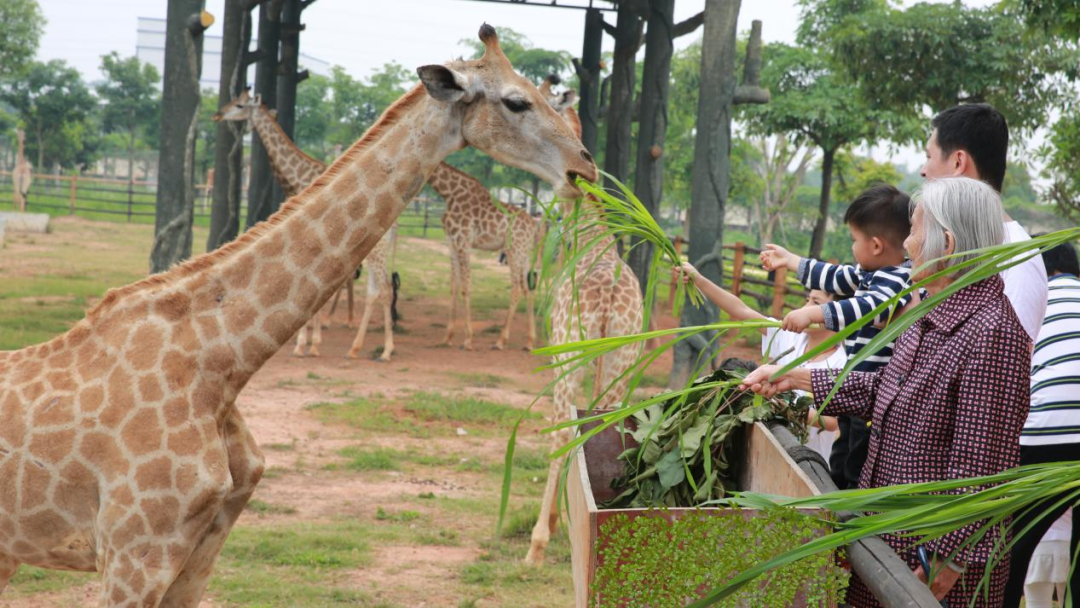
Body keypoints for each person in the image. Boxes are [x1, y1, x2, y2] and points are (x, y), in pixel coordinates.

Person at [741, 177, 1031, 607]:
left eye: (914, 231)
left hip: (926, 565)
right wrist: (795, 378)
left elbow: (980, 467)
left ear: (947, 244)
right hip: (888, 538)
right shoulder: (929, 307)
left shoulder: (992, 331)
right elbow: (885, 388)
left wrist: (945, 561)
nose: (908, 244)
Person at [761, 184, 912, 490]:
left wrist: (813, 314)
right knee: (841, 460)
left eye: (854, 240)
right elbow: (832, 276)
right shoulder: (866, 273)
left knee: (858, 464)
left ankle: (852, 522)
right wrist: (791, 260)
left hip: (872, 398)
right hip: (853, 393)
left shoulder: (897, 279)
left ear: (876, 245)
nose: (852, 247)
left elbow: (869, 309)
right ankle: (836, 505)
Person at [675, 263, 846, 460]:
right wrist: (700, 281)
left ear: (838, 313)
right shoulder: (790, 337)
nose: (805, 309)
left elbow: (832, 422)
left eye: (815, 303)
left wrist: (783, 405)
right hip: (771, 451)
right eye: (807, 300)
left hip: (809, 462)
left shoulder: (841, 363)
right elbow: (743, 311)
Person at [920, 103, 1047, 342]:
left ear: (958, 162)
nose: (923, 170)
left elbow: (1007, 358)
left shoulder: (1015, 258)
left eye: (929, 156)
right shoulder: (957, 246)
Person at [1003, 240, 1080, 607]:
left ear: (1041, 270)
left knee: (1017, 541)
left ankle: (1000, 598)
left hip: (1044, 432)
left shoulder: (1036, 295)